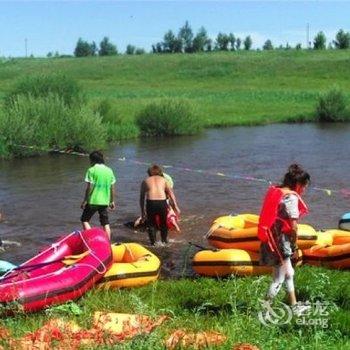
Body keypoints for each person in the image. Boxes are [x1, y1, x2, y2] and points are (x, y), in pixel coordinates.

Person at [258, 164, 310, 315]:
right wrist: (294, 245)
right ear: (299, 184)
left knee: (288, 273)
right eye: (304, 186)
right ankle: (265, 310)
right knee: (279, 278)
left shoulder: (277, 191)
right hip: (282, 241)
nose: (304, 190)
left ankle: (294, 306)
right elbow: (293, 226)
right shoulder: (291, 197)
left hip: (271, 238)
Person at [140, 164, 180, 246]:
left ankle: (153, 243)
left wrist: (142, 212)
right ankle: (164, 242)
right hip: (162, 202)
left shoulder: (145, 181)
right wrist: (176, 206)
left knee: (151, 224)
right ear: (160, 172)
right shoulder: (164, 180)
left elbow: (141, 198)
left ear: (149, 173)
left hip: (151, 203)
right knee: (163, 223)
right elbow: (171, 193)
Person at [81, 151, 116, 239]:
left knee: (84, 220)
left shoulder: (91, 170)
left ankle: (91, 239)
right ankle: (108, 243)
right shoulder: (109, 170)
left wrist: (85, 200)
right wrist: (112, 201)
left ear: (92, 160)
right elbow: (112, 188)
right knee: (105, 223)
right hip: (105, 201)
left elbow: (90, 187)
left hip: (93, 201)